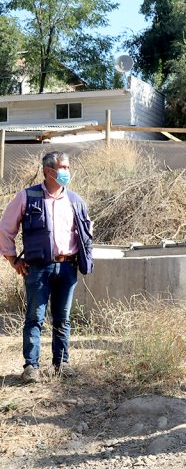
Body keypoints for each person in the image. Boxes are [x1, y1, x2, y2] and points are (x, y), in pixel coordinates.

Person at [0, 151, 94, 384]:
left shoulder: (75, 200)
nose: (67, 172)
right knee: (35, 317)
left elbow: (87, 233)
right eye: (63, 168)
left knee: (63, 318)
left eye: (68, 167)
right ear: (48, 171)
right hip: (38, 269)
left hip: (67, 267)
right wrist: (12, 260)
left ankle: (61, 363)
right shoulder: (27, 197)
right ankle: (31, 366)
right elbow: (5, 229)